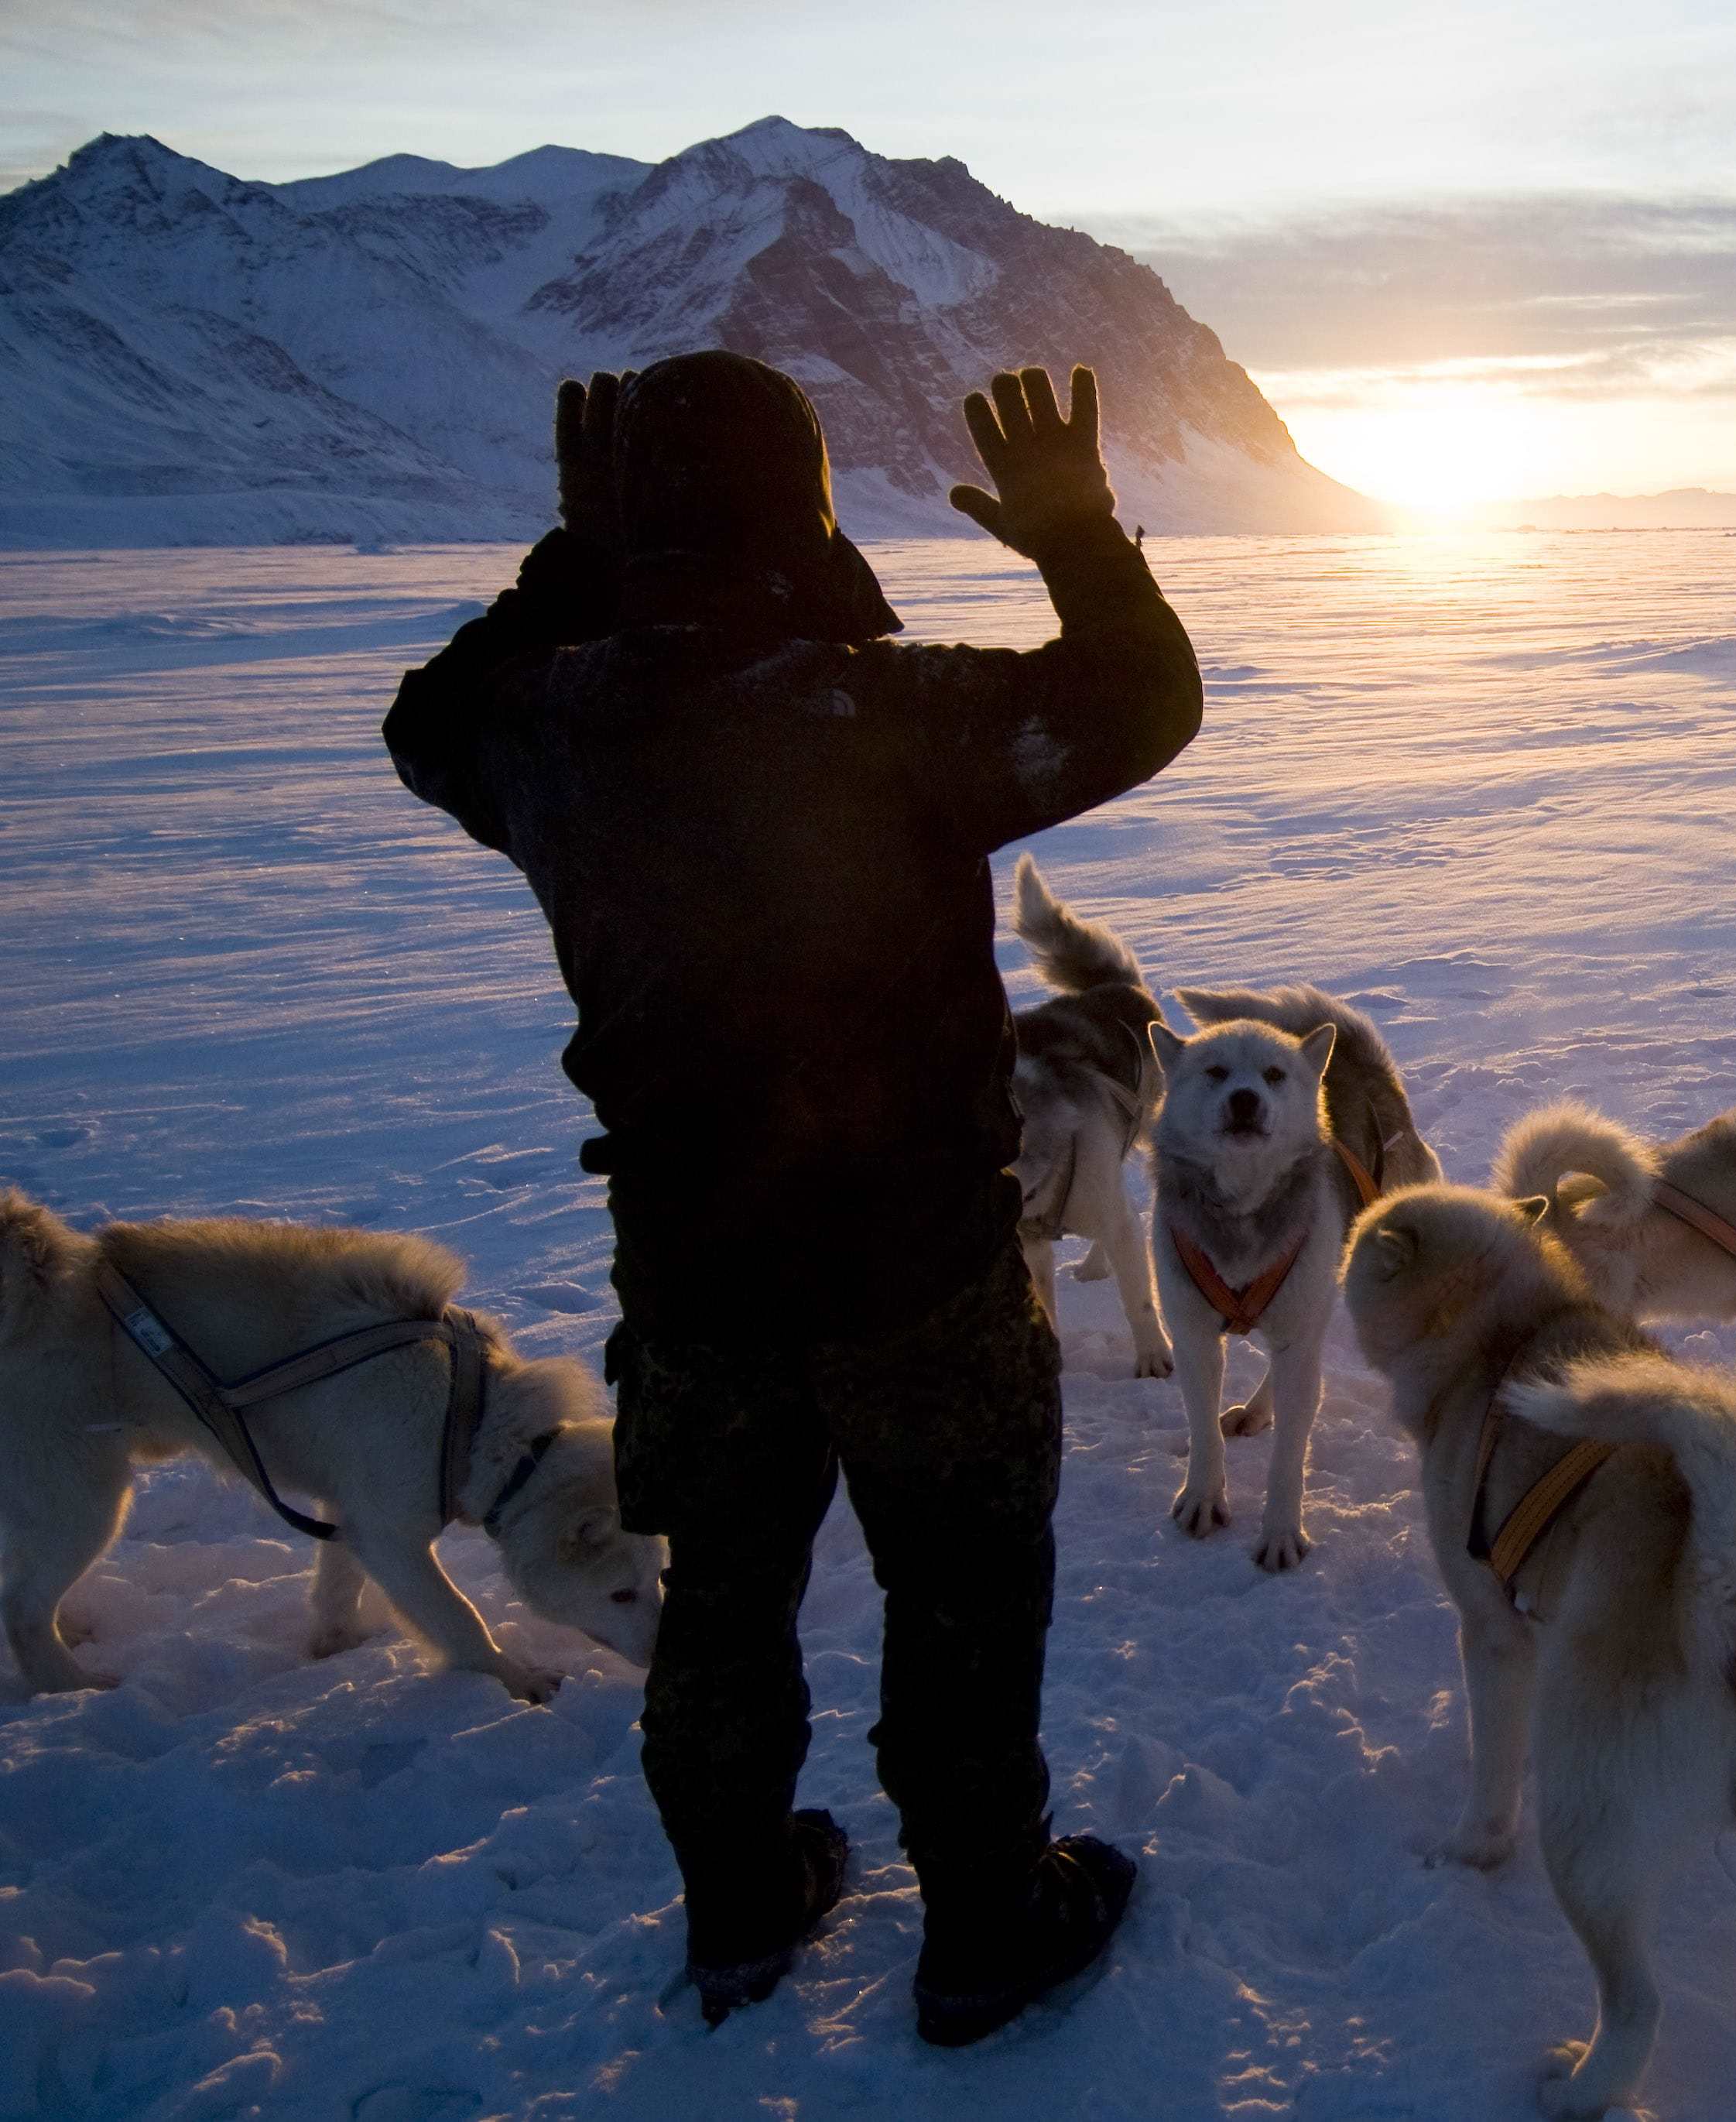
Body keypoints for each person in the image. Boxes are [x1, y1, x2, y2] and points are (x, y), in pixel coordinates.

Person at [383, 351, 1200, 2042]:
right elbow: (1138, 702)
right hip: (919, 1266)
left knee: (724, 1599)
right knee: (963, 1594)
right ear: (809, 506)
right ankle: (985, 1924)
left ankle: (741, 1898)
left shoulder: (551, 724)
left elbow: (426, 723)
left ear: (638, 520)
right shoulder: (888, 715)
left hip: (695, 1272)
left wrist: (575, 559)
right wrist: (1074, 535)